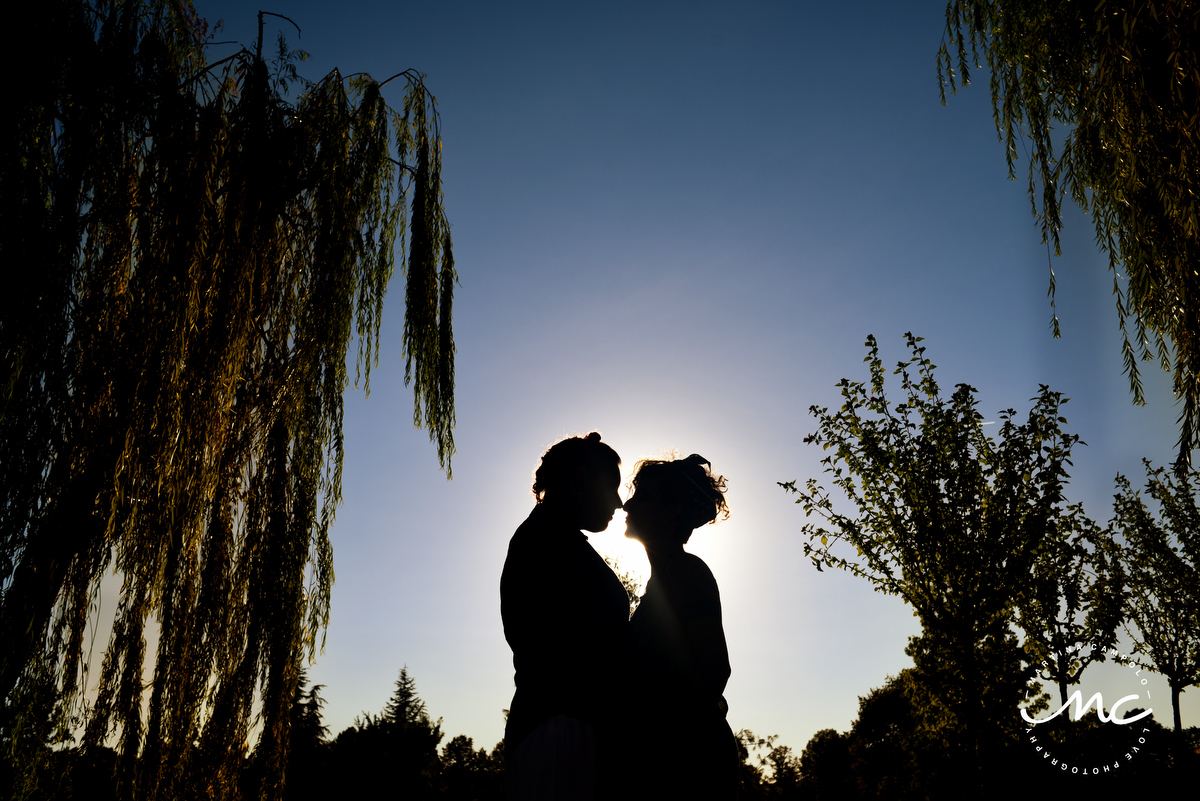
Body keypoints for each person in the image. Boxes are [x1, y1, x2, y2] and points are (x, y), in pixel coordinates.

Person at [501, 432, 630, 801]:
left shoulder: (552, 539)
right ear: (580, 480)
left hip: (566, 728)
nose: (619, 502)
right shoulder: (546, 542)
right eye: (612, 487)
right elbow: (569, 647)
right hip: (560, 731)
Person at [622, 453, 738, 800]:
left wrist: (661, 744)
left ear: (671, 511)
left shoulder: (688, 574)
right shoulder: (662, 582)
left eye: (642, 496)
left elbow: (715, 669)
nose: (627, 504)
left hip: (688, 768)